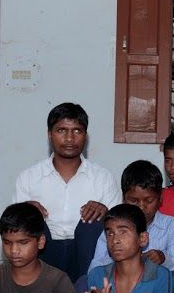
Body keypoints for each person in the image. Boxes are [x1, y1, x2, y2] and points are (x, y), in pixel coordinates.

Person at [14, 103, 121, 282]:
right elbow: (15, 229)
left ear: (85, 136)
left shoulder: (103, 177)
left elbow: (120, 226)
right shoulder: (29, 177)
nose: (70, 138)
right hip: (44, 251)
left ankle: (86, 289)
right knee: (29, 222)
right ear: (50, 135)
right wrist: (25, 212)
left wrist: (106, 213)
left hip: (87, 252)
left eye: (77, 131)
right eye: (62, 130)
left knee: (92, 225)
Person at [89, 160, 174, 272]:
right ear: (123, 199)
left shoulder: (172, 227)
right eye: (134, 200)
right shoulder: (113, 228)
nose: (141, 207)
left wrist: (163, 259)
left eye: (148, 200)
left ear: (160, 199)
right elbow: (95, 268)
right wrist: (124, 259)